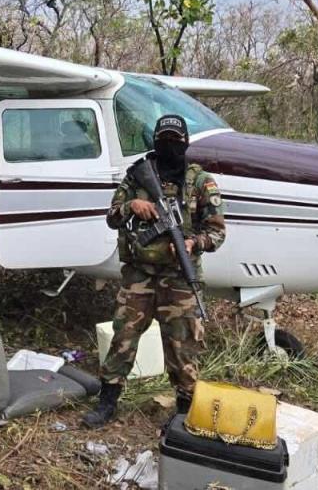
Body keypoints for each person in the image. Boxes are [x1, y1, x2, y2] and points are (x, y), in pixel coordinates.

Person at [82, 114, 226, 429]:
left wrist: (192, 242)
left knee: (182, 344)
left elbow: (217, 233)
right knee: (124, 337)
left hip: (179, 277)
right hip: (139, 275)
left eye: (176, 142)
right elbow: (111, 216)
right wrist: (131, 205)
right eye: (165, 142)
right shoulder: (137, 177)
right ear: (156, 143)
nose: (170, 147)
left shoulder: (201, 183)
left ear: (186, 143)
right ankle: (107, 402)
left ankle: (184, 411)